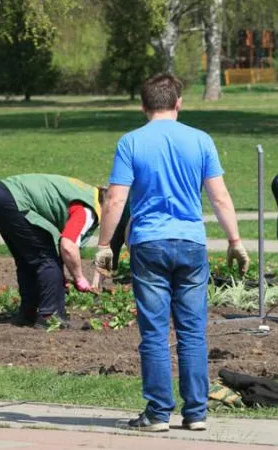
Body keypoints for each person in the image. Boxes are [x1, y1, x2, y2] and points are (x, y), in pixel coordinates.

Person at [94, 74, 250, 433]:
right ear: (178, 102)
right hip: (191, 244)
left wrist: (104, 247)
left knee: (154, 332)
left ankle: (158, 413)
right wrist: (235, 240)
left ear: (143, 106)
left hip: (149, 244)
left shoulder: (131, 142)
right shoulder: (201, 140)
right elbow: (220, 197)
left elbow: (115, 198)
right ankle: (196, 412)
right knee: (193, 331)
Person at [0, 174, 106, 328]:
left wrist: (60, 279)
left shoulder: (88, 193)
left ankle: (28, 314)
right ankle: (51, 316)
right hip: (14, 199)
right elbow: (68, 246)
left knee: (28, 259)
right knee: (46, 258)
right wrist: (79, 277)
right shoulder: (88, 209)